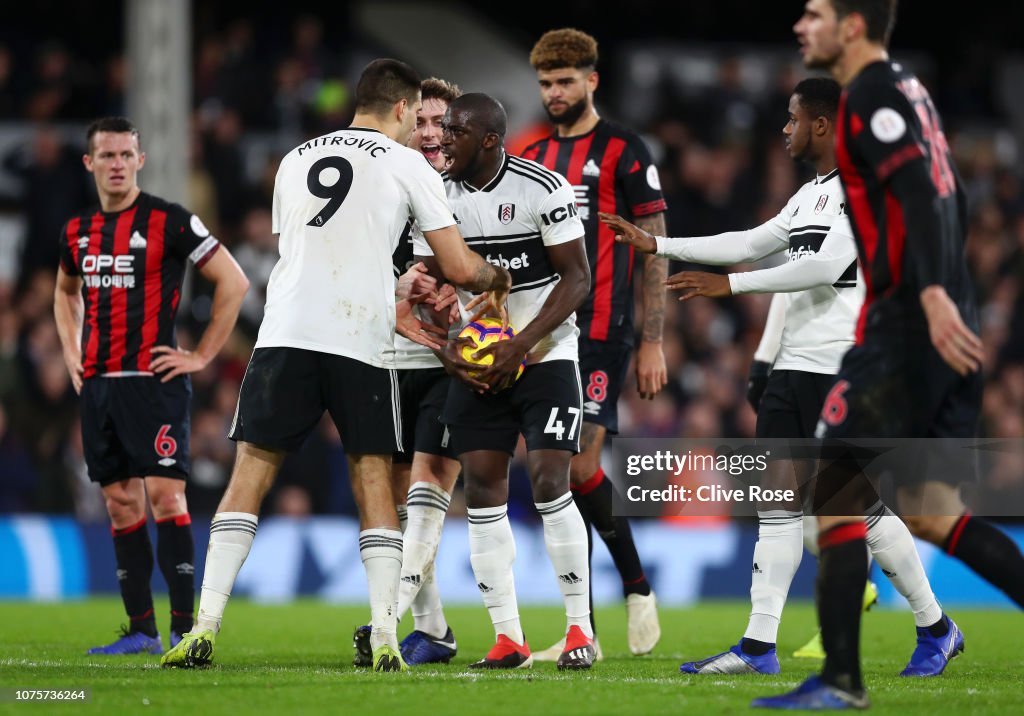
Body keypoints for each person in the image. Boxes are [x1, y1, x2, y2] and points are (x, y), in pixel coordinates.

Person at [161, 59, 510, 672]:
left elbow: (294, 242)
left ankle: (202, 626)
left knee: (248, 479)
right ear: (402, 108)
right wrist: (495, 277)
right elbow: (456, 265)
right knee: (374, 481)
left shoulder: (293, 159)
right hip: (359, 339)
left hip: (284, 334)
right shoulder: (406, 164)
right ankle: (382, 637)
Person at [603, 78, 958, 679]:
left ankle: (937, 627)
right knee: (777, 509)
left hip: (844, 366)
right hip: (794, 370)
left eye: (792, 120)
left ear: (821, 125)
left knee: (857, 509)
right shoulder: (808, 195)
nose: (785, 130)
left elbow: (824, 265)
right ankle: (758, 647)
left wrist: (732, 284)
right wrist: (661, 243)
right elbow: (749, 240)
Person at [753, 0, 1019, 708]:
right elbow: (943, 189)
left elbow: (924, 198)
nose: (800, 27)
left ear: (853, 25)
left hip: (905, 323)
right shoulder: (907, 90)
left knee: (834, 490)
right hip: (928, 319)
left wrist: (930, 292)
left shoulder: (872, 94)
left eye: (814, 15)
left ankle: (842, 678)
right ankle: (912, 642)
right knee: (931, 512)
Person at [53, 116, 249, 655]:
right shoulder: (77, 232)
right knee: (119, 502)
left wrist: (202, 355)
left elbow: (233, 281)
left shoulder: (170, 220)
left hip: (153, 381)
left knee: (165, 494)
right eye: (106, 156)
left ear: (140, 161)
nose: (117, 164)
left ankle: (186, 629)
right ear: (90, 163)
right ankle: (141, 630)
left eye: (125, 155)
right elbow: (65, 292)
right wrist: (72, 353)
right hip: (98, 385)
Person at [418, 92, 594, 670]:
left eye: (457, 131)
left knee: (549, 481)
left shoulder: (543, 190)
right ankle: (509, 640)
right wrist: (448, 346)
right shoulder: (436, 199)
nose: (443, 138)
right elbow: (429, 286)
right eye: (444, 128)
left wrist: (520, 344)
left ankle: (578, 632)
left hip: (544, 357)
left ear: (490, 139)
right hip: (479, 363)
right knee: (483, 490)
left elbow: (576, 279)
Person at [521, 27, 665, 660]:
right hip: (548, 333)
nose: (554, 93)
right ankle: (586, 629)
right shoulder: (532, 157)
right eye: (547, 84)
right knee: (557, 471)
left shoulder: (626, 151)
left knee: (578, 467)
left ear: (591, 81)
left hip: (604, 332)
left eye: (564, 82)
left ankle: (635, 590)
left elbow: (654, 249)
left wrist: (652, 341)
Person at [352, 76, 465, 668]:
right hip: (390, 355)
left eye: (438, 124)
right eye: (418, 122)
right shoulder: (380, 182)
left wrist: (464, 294)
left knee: (428, 493)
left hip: (451, 356)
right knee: (399, 504)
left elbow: (501, 264)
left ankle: (384, 622)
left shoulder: (470, 188)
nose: (428, 134)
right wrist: (393, 286)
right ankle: (435, 630)